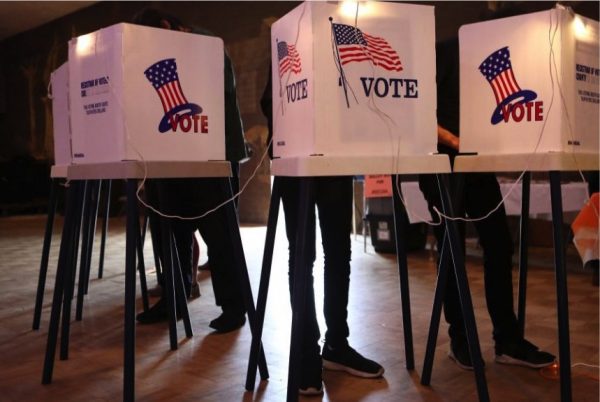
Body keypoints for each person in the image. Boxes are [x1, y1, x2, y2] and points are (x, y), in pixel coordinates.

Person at [418, 35, 556, 370]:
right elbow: (416, 109)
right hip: (440, 163)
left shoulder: (496, 54)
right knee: (453, 251)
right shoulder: (445, 51)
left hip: (476, 164)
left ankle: (507, 340)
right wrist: (454, 140)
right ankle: (460, 339)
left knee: (499, 244)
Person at [261, 67, 383, 396]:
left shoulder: (339, 54)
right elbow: (270, 102)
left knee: (339, 251)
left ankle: (337, 345)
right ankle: (305, 353)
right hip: (296, 157)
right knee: (302, 256)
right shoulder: (293, 40)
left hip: (334, 155)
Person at [133, 8, 248, 333]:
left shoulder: (205, 42)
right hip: (170, 150)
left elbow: (218, 91)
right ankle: (174, 300)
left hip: (212, 153)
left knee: (219, 236)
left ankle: (234, 307)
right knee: (169, 229)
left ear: (168, 27)